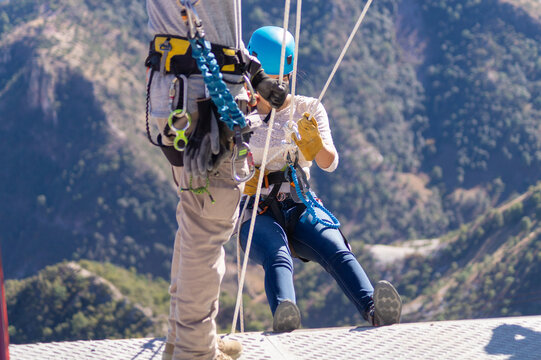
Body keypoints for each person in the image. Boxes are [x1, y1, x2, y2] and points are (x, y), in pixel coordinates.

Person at [144, 2, 287, 360]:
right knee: (207, 229)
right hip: (204, 96)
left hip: (178, 93)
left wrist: (251, 74)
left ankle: (187, 339)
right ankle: (194, 351)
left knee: (195, 220)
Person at [239, 26, 403, 332]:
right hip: (255, 206)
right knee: (277, 254)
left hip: (299, 202)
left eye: (281, 80)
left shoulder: (308, 109)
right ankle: (286, 315)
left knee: (335, 248)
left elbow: (330, 163)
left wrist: (315, 146)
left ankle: (374, 309)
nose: (274, 88)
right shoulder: (238, 114)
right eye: (268, 81)